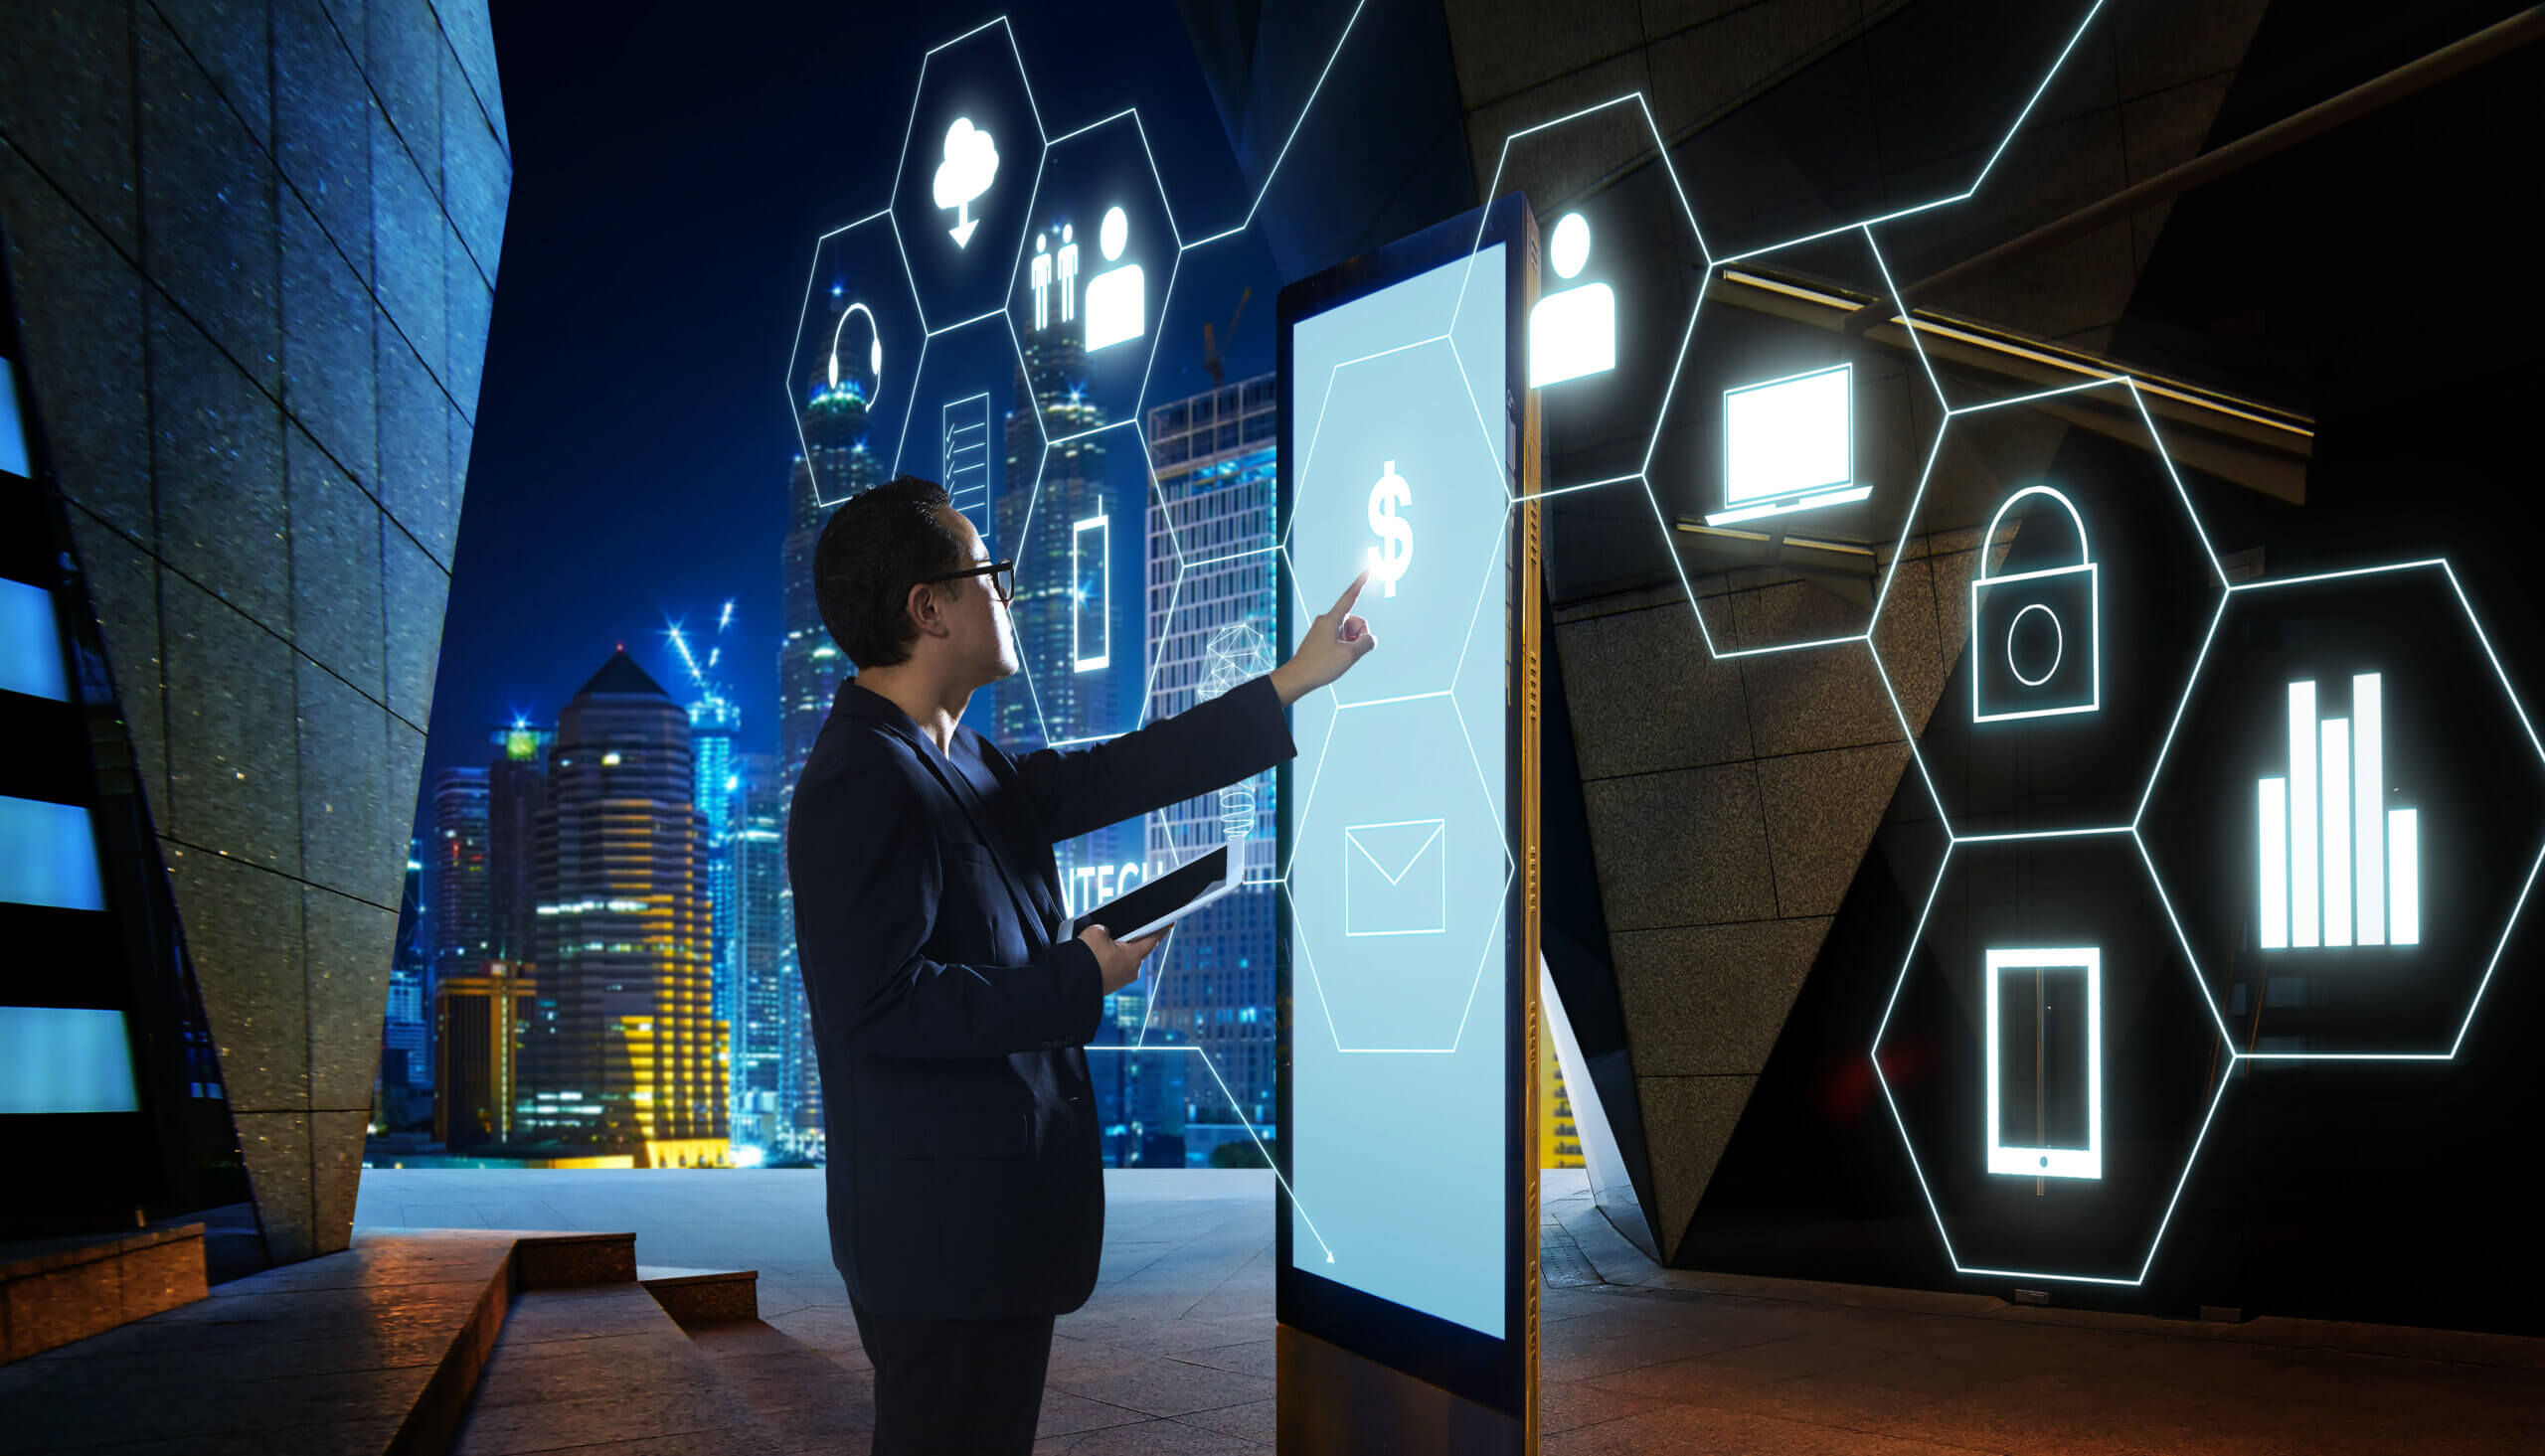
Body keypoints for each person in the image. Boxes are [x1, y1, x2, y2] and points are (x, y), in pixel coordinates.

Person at [788, 474, 1377, 1454]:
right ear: (926, 609)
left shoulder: (967, 760)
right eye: (988, 574)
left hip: (990, 1227)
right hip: (936, 1247)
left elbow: (1127, 768)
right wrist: (1076, 979)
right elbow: (878, 1005)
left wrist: (1290, 682)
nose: (1006, 594)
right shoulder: (862, 778)